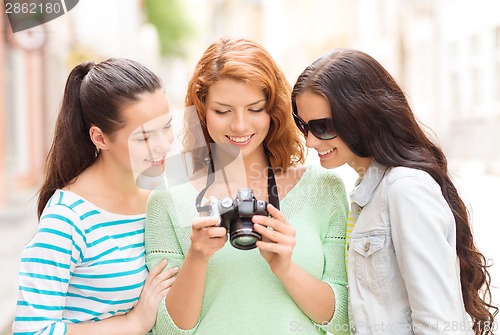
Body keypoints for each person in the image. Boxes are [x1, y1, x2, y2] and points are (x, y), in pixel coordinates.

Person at [145, 37, 350, 335]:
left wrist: (286, 269)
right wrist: (197, 257)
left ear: (274, 110)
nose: (240, 126)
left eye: (255, 109)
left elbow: (343, 320)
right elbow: (167, 329)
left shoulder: (324, 189)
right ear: (201, 111)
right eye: (223, 111)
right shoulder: (167, 199)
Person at [291, 48, 498, 335]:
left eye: (322, 127)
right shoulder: (367, 193)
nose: (311, 141)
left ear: (360, 115)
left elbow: (438, 324)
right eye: (303, 126)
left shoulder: (404, 190)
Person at [13, 58, 178, 335]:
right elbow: (31, 331)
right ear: (100, 138)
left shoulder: (160, 195)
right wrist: (132, 323)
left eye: (167, 126)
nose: (163, 144)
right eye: (145, 137)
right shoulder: (68, 218)